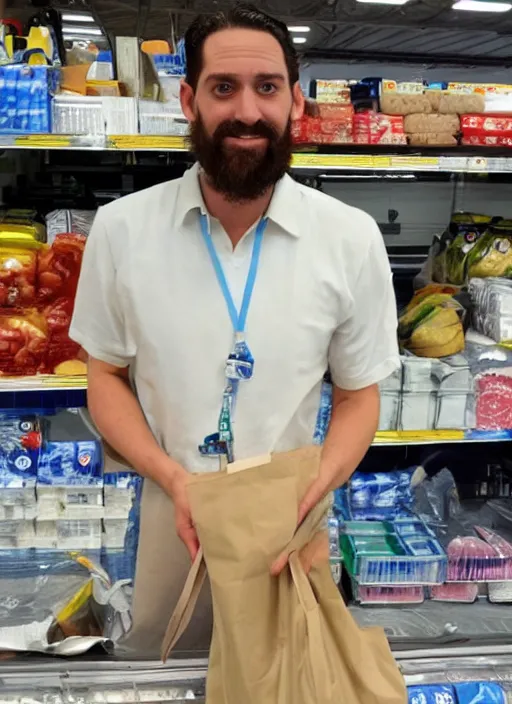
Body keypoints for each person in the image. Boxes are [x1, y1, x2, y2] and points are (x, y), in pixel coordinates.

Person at [70, 3, 399, 656]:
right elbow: (103, 376)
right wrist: (172, 478)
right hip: (173, 512)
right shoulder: (122, 230)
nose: (247, 111)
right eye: (224, 88)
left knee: (289, 681)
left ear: (294, 103)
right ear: (189, 100)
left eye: (267, 87)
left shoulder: (350, 239)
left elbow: (361, 395)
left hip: (292, 521)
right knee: (165, 676)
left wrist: (317, 488)